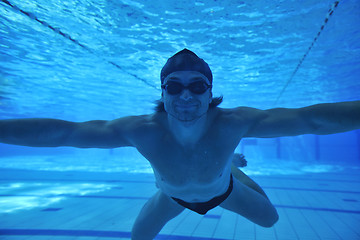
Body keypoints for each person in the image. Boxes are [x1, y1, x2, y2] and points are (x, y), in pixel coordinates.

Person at [0, 49, 359, 240]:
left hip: (225, 190)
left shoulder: (234, 123)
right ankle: (227, 165)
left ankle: (229, 168)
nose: (185, 96)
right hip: (171, 195)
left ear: (210, 91)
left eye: (197, 86)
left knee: (270, 220)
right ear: (162, 91)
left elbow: (311, 119)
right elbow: (64, 133)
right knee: (139, 239)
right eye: (174, 86)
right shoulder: (141, 130)